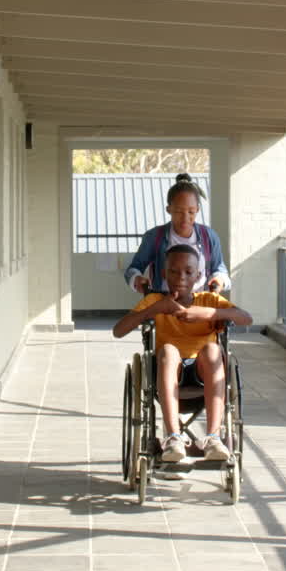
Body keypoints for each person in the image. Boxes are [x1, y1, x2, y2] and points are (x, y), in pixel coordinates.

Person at [113, 244, 253, 463]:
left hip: (202, 372)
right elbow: (118, 331)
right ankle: (173, 437)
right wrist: (155, 310)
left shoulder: (209, 300)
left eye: (189, 272)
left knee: (212, 349)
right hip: (169, 372)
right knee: (168, 351)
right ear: (163, 274)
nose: (181, 277)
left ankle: (213, 438)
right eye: (174, 271)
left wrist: (208, 313)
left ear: (198, 275)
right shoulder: (155, 301)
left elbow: (246, 318)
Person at [125, 174, 229, 295]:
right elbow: (132, 270)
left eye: (191, 211)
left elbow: (220, 270)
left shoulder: (209, 236)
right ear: (169, 209)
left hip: (200, 306)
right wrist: (137, 280)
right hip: (164, 305)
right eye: (179, 211)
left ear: (198, 209)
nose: (185, 218)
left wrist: (219, 280)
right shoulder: (154, 237)